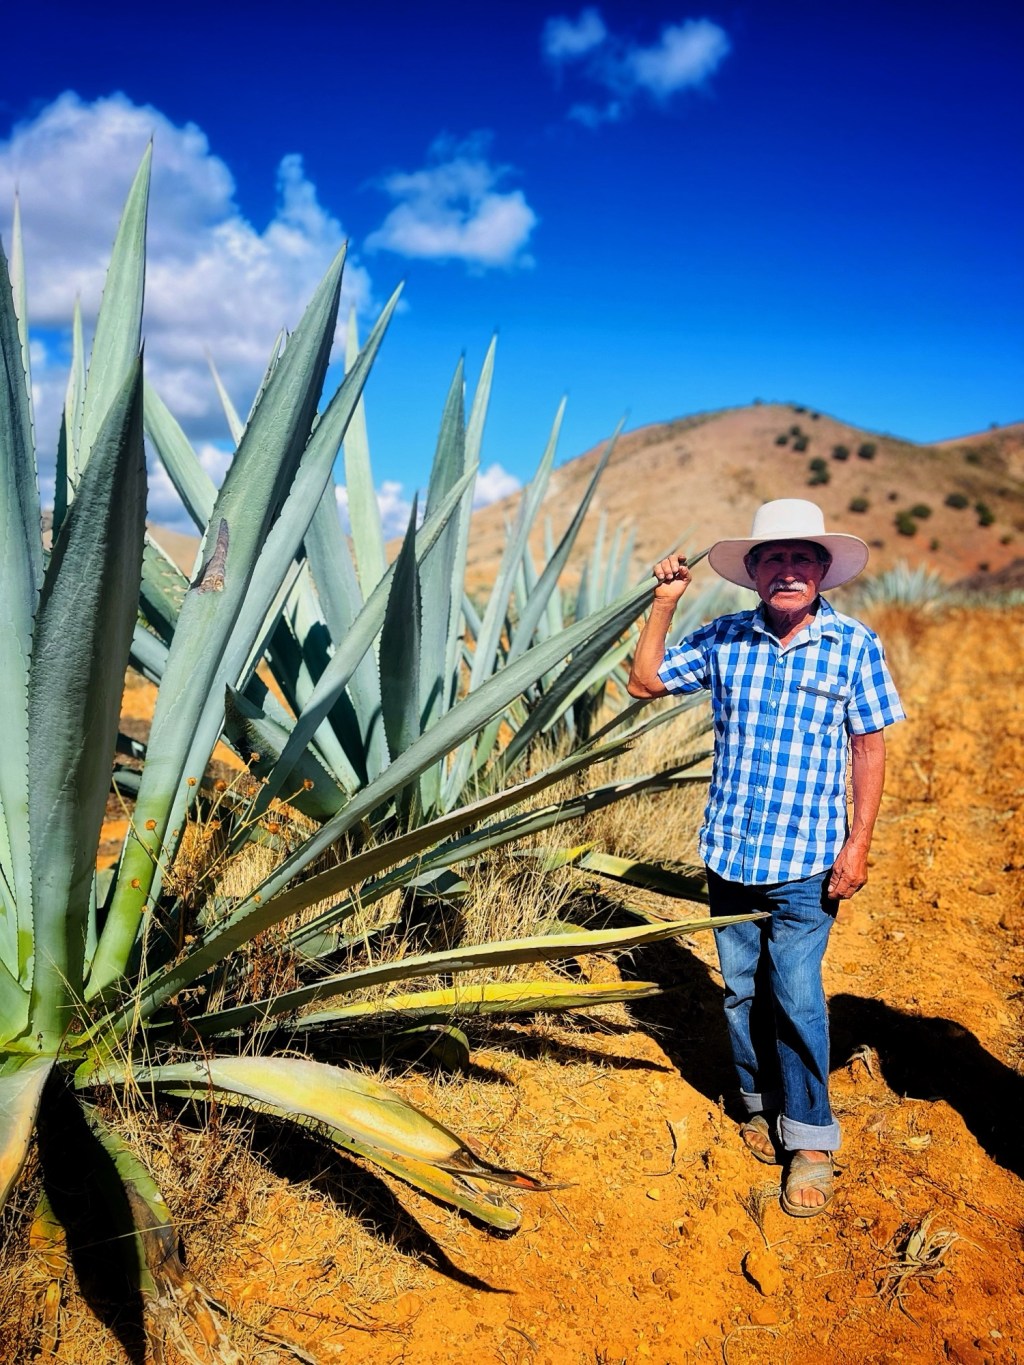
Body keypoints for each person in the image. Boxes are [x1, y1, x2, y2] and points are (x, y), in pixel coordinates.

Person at [626, 498, 904, 1217]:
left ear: (822, 571)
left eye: (801, 558)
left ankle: (809, 1139)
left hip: (809, 859)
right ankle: (757, 1102)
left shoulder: (854, 645)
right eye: (773, 558)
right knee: (741, 988)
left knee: (799, 994)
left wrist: (859, 841)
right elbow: (645, 682)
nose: (787, 570)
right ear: (753, 573)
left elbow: (868, 745)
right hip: (730, 852)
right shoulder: (723, 637)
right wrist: (664, 603)